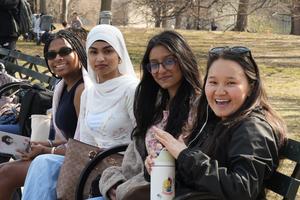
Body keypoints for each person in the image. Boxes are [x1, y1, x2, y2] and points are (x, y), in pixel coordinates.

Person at [147, 46, 287, 199]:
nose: (220, 91)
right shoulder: (214, 120)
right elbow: (201, 177)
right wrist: (163, 165)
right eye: (213, 82)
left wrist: (185, 156)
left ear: (251, 87)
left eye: (231, 83)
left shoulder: (253, 129)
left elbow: (242, 189)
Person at [21, 24, 139, 200]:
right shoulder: (89, 94)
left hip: (121, 165)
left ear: (119, 55)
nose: (100, 58)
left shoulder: (132, 89)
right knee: (42, 164)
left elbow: (143, 140)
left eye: (107, 51)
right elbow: (83, 142)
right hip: (93, 162)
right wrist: (49, 149)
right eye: (93, 52)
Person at [98, 30, 202, 200]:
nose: (160, 70)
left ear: (184, 60)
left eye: (169, 61)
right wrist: (114, 185)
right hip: (137, 188)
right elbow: (132, 162)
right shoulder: (152, 105)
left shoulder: (199, 107)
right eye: (154, 64)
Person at [0, 29, 88, 200]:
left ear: (78, 52)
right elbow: (68, 138)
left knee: (5, 175)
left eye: (65, 52)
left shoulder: (82, 90)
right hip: (63, 153)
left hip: (79, 163)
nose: (58, 58)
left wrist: (47, 149)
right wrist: (43, 144)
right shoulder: (63, 87)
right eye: (51, 54)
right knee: (3, 169)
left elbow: (84, 145)